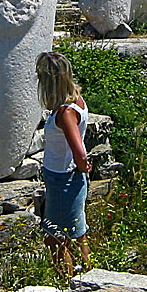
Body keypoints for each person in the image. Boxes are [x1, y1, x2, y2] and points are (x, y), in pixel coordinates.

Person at [35, 51, 91, 275]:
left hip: (63, 180)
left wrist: (82, 167)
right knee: (78, 232)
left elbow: (79, 151)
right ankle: (88, 275)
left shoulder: (66, 112)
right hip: (66, 178)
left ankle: (68, 283)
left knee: (55, 238)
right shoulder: (76, 101)